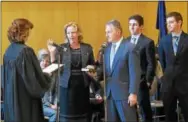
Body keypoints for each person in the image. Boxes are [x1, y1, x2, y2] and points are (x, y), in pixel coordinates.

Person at [88, 19, 141, 122]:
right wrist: (93, 74)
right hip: (109, 94)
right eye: (105, 32)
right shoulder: (106, 49)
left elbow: (135, 72)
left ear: (118, 31)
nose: (106, 35)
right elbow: (105, 71)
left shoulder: (130, 47)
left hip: (125, 95)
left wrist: (133, 93)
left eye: (109, 32)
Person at [2, 18, 51, 122]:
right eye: (28, 31)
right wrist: (46, 76)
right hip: (25, 102)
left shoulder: (8, 51)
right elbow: (32, 81)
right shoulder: (25, 51)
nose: (29, 35)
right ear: (23, 32)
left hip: (11, 102)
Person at [47, 22, 95, 122]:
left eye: (73, 32)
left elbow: (92, 65)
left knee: (83, 116)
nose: (71, 35)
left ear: (78, 33)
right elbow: (56, 69)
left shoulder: (87, 47)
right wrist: (52, 53)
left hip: (83, 86)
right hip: (66, 87)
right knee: (67, 117)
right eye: (68, 33)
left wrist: (91, 69)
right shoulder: (61, 48)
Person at [158, 12, 188, 122]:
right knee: (169, 116)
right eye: (167, 23)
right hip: (168, 85)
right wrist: (164, 79)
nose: (168, 25)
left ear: (179, 22)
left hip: (185, 84)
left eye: (171, 22)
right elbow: (162, 62)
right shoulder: (163, 40)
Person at [127, 14, 156, 122]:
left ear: (141, 27)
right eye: (130, 25)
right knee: (130, 110)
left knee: (144, 110)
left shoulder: (147, 42)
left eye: (134, 24)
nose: (131, 27)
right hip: (128, 81)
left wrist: (148, 81)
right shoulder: (126, 41)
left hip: (142, 81)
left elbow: (151, 63)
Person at [38, 49, 57, 122]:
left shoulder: (53, 75)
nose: (44, 63)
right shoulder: (37, 75)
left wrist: (55, 104)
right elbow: (40, 95)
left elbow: (56, 90)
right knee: (55, 114)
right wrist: (50, 105)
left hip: (52, 104)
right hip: (40, 105)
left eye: (47, 61)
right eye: (42, 61)